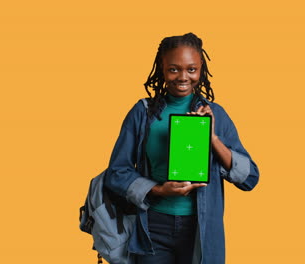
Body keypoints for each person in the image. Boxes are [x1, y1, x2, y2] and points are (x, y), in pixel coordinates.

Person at [104, 32, 260, 264]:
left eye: (191, 69)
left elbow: (249, 178)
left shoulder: (215, 113)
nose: (183, 77)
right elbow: (117, 173)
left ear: (201, 69)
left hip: (201, 229)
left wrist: (213, 138)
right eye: (174, 69)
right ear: (162, 69)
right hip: (153, 227)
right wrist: (158, 190)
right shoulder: (143, 112)